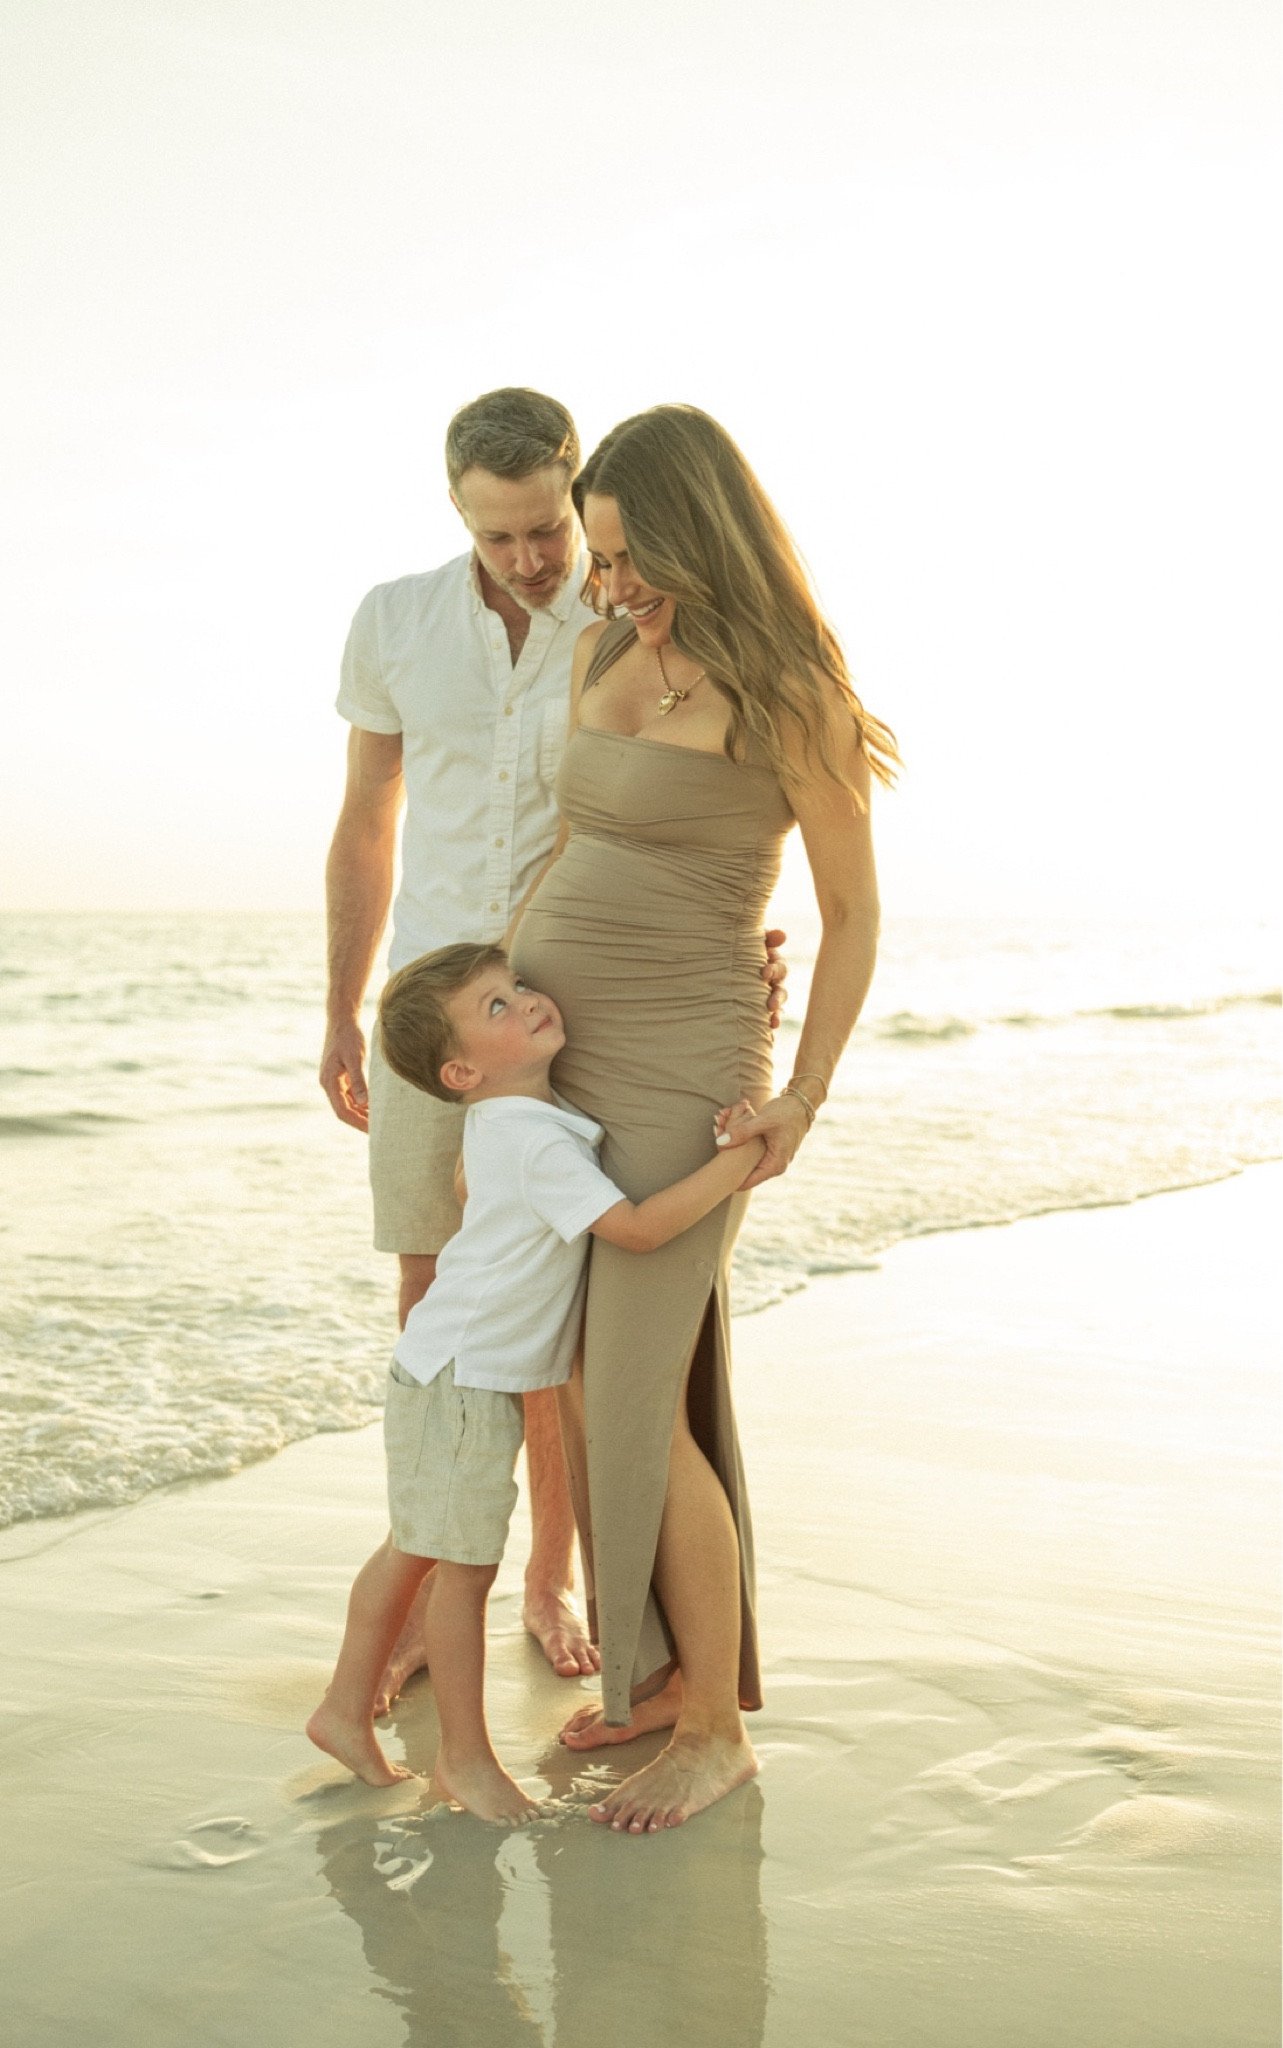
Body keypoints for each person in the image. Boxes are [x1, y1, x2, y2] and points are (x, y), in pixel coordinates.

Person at [320, 388, 785, 1708]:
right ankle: (426, 1584)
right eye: (499, 533)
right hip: (437, 1013)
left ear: (574, 497)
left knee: (572, 1321)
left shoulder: (630, 616)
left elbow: (699, 799)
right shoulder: (394, 623)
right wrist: (339, 1006)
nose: (530, 559)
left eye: (545, 530)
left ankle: (548, 1579)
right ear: (455, 510)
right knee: (442, 1311)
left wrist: (728, 945)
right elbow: (365, 821)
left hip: (579, 1008)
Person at [509, 403, 899, 1834]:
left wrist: (799, 1096)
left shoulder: (791, 688)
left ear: (691, 529)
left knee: (624, 1401)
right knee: (613, 1379)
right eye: (595, 559)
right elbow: (568, 842)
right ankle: (669, 1671)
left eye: (622, 555)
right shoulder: (609, 647)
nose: (603, 584)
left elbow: (851, 916)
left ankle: (717, 1729)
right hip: (560, 1063)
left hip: (689, 1073)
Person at [306, 942, 763, 1822]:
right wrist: (741, 1160)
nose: (527, 1002)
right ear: (462, 1069)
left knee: (413, 1548)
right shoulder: (532, 1144)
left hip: (446, 1369)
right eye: (496, 1008)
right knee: (461, 1571)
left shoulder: (514, 1123)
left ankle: (339, 1710)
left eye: (516, 988)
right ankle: (465, 1762)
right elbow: (632, 1230)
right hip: (466, 1384)